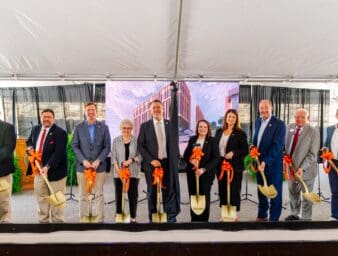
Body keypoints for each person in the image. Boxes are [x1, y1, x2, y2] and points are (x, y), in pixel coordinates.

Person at [137, 99, 180, 222]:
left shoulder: (169, 124)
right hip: (151, 166)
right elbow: (141, 145)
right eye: (154, 108)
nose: (156, 109)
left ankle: (169, 217)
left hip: (167, 164)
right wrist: (151, 160)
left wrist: (175, 160)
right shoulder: (145, 126)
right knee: (152, 192)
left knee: (168, 191)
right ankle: (153, 218)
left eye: (158, 107)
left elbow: (174, 144)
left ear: (163, 109)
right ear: (150, 111)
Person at [26, 109, 67, 223]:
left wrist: (47, 166)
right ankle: (43, 221)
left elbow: (59, 152)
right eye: (44, 117)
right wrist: (29, 148)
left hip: (55, 172)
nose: (46, 119)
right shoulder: (36, 129)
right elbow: (29, 142)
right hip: (38, 171)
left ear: (54, 119)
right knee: (41, 197)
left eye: (49, 117)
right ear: (41, 117)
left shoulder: (60, 133)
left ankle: (57, 222)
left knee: (56, 198)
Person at [72, 102, 111, 223]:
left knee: (99, 195)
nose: (90, 112)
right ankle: (83, 220)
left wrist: (98, 160)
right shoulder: (78, 127)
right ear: (85, 112)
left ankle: (100, 220)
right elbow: (75, 145)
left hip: (99, 168)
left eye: (93, 110)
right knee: (83, 195)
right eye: (88, 110)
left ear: (96, 111)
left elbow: (107, 146)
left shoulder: (104, 127)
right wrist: (83, 160)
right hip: (82, 168)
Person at [252, 99, 285, 221]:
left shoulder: (279, 124)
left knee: (274, 192)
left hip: (272, 165)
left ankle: (274, 219)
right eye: (261, 108)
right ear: (259, 109)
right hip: (259, 163)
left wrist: (266, 161)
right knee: (261, 190)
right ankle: (262, 214)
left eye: (266, 108)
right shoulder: (257, 122)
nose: (264, 110)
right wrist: (252, 146)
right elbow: (256, 139)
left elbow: (277, 146)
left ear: (271, 108)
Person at [284, 108, 320, 221]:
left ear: (307, 118)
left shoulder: (314, 132)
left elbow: (313, 154)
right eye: (297, 117)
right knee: (293, 193)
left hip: (307, 170)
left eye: (302, 117)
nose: (299, 119)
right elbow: (284, 146)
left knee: (307, 195)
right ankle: (294, 214)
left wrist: (302, 168)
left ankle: (306, 219)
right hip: (291, 169)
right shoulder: (288, 127)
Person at [215, 109, 248, 220]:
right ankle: (224, 213)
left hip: (234, 166)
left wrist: (233, 152)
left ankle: (233, 215)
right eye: (229, 116)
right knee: (222, 189)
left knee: (234, 190)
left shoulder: (240, 133)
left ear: (236, 119)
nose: (231, 119)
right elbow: (215, 147)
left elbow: (245, 149)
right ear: (226, 118)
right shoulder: (219, 131)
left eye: (233, 117)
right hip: (221, 165)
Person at [183, 119, 219, 221]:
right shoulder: (192, 139)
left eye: (204, 127)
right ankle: (194, 220)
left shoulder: (212, 141)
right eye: (200, 127)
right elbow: (186, 155)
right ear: (197, 128)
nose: (202, 129)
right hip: (192, 174)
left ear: (208, 129)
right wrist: (191, 160)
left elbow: (216, 158)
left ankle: (204, 221)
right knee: (193, 195)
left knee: (204, 196)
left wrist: (203, 169)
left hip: (205, 174)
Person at [112, 119, 142, 223]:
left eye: (129, 128)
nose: (126, 130)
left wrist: (132, 160)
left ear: (132, 129)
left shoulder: (136, 140)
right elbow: (113, 157)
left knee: (132, 196)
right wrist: (119, 171)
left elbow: (140, 156)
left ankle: (133, 218)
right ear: (120, 129)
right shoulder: (116, 140)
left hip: (133, 173)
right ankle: (119, 218)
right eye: (124, 128)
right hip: (118, 173)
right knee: (119, 196)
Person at [0, 116, 16, 223]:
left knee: (3, 199)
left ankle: (5, 221)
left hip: (3, 170)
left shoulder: (8, 127)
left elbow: (9, 147)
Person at [324, 108, 338, 220]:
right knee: (335, 189)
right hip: (332, 163)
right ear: (336, 115)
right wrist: (324, 149)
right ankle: (334, 215)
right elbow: (326, 144)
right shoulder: (329, 129)